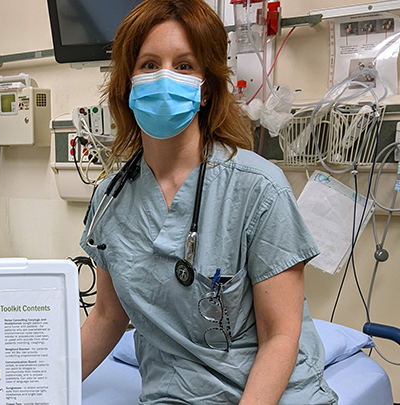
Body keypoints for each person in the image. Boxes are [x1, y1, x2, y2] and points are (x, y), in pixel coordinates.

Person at [79, 0, 338, 404]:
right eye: (148, 64)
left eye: (184, 66)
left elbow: (281, 336)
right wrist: (36, 388)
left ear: (205, 90)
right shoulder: (111, 199)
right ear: (127, 85)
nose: (164, 77)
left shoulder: (258, 188)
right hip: (175, 393)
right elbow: (109, 317)